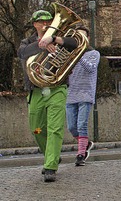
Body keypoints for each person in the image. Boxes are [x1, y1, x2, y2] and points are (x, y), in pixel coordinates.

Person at [18, 9, 87, 182]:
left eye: (49, 21)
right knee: (37, 129)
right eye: (41, 22)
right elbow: (23, 53)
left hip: (57, 88)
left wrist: (55, 39)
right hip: (36, 90)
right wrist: (42, 43)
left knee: (55, 129)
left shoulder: (60, 39)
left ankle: (50, 166)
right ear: (35, 24)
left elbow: (77, 43)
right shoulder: (27, 41)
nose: (46, 24)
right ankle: (52, 154)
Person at [66, 48, 99, 167]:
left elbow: (90, 68)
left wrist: (78, 55)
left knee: (81, 125)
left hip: (86, 94)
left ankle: (81, 155)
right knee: (71, 127)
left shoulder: (94, 54)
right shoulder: (69, 53)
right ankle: (85, 143)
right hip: (70, 94)